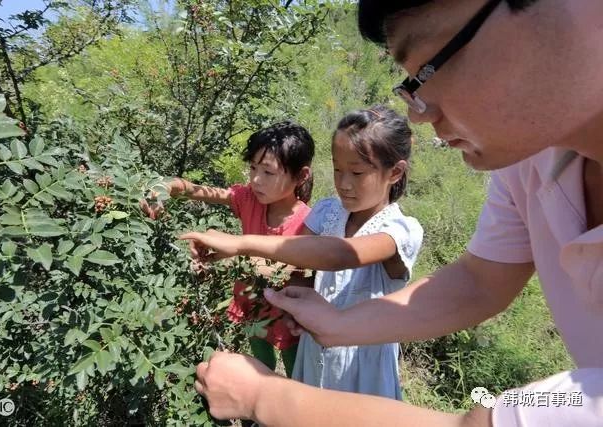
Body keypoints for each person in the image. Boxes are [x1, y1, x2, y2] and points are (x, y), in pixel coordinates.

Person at [188, 0, 603, 425]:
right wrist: (336, 325)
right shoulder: (527, 161)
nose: (419, 114)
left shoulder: (400, 226)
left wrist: (263, 398)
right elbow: (479, 282)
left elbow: (480, 422)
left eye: (427, 70)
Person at [183, 106, 423, 399]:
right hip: (314, 349)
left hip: (361, 364)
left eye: (357, 172)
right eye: (337, 169)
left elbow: (340, 255)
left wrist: (240, 243)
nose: (344, 183)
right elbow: (297, 266)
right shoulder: (327, 211)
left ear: (395, 172)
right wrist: (293, 300)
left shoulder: (400, 229)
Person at [141, 121, 315, 377]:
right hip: (252, 308)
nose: (256, 179)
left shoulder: (309, 222)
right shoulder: (249, 199)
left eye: (268, 172)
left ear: (301, 176)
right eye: (253, 168)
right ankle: (259, 405)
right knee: (260, 365)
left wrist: (231, 256)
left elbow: (299, 275)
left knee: (296, 374)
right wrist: (166, 187)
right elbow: (200, 191)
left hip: (290, 319)